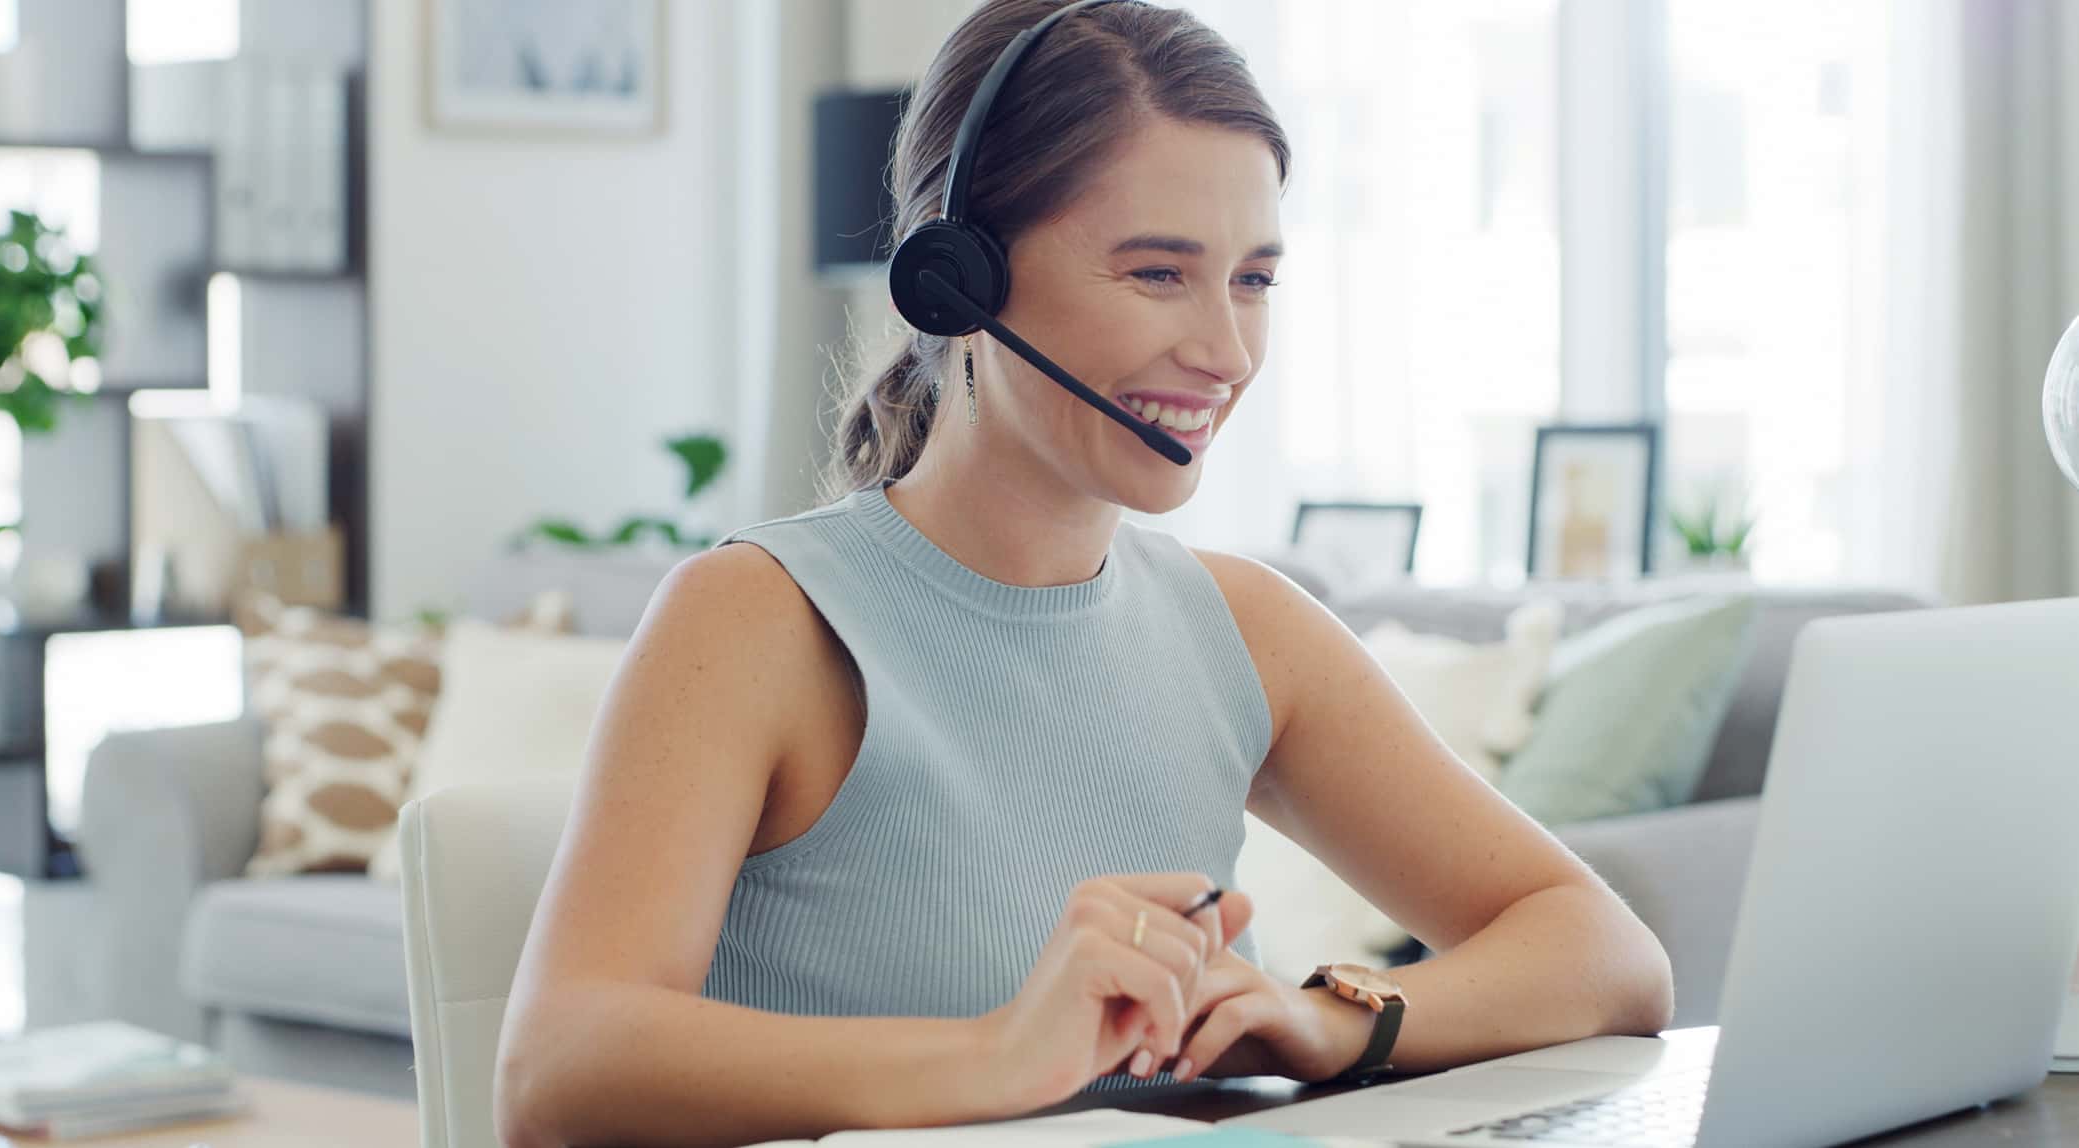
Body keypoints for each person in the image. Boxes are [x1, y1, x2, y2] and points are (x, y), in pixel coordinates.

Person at [496, 3, 1673, 1145]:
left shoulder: (1247, 628)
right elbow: (557, 1068)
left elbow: (1605, 951)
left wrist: (1331, 1017)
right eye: (1157, 273)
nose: (1224, 351)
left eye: (1253, 280)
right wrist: (994, 1055)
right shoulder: (759, 619)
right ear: (958, 278)